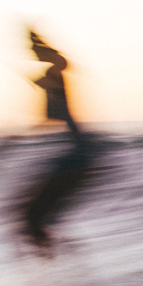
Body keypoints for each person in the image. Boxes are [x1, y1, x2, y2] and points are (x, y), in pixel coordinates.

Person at [18, 30, 93, 254]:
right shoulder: (51, 73)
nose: (31, 53)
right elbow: (50, 114)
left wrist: (45, 80)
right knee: (31, 220)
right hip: (70, 151)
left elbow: (56, 111)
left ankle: (62, 268)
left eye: (33, 49)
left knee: (32, 219)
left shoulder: (54, 71)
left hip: (74, 153)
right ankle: (61, 266)